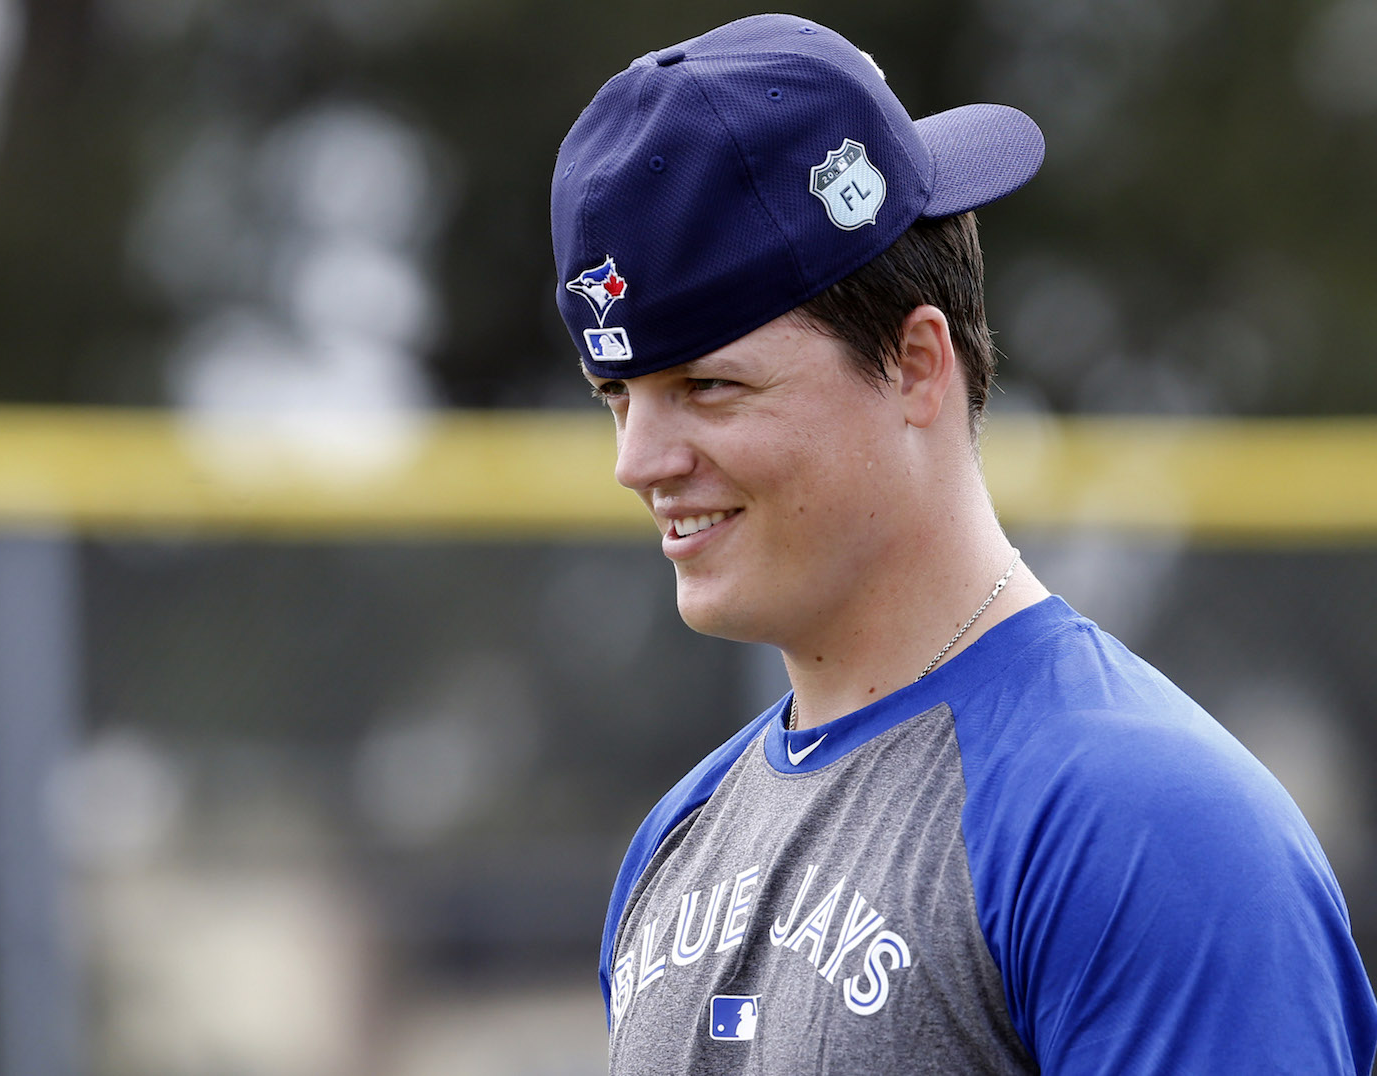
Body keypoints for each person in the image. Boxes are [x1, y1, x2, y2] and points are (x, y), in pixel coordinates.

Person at [550, 13, 1377, 1075]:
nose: (639, 459)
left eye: (706, 385)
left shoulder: (1143, 827)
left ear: (915, 364)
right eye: (617, 395)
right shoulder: (679, 835)